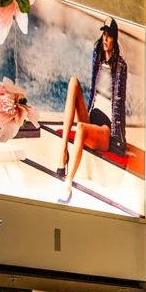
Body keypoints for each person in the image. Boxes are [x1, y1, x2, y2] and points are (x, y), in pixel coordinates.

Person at [56, 17, 129, 204]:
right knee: (73, 82)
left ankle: (68, 184)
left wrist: (120, 142)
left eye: (109, 36)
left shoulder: (121, 67)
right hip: (92, 117)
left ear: (115, 39)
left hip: (106, 130)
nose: (105, 39)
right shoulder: (97, 55)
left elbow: (120, 105)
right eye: (104, 34)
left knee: (80, 128)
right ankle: (62, 152)